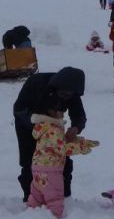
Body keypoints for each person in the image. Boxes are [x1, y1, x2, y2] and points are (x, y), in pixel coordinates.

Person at [13, 67, 87, 201]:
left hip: (54, 130)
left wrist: (76, 128)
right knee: (31, 161)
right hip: (27, 126)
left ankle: (64, 196)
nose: (65, 97)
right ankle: (30, 197)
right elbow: (19, 109)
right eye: (63, 94)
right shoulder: (36, 82)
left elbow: (79, 115)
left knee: (61, 159)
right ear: (58, 86)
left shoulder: (72, 91)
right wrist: (38, 120)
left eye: (68, 96)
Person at [27, 107, 99, 218]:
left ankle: (30, 213)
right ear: (52, 112)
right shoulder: (54, 130)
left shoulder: (42, 127)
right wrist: (81, 148)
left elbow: (58, 142)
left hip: (37, 168)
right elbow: (63, 148)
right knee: (54, 195)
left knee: (37, 195)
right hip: (51, 171)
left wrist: (80, 141)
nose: (64, 113)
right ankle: (55, 218)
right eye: (61, 111)